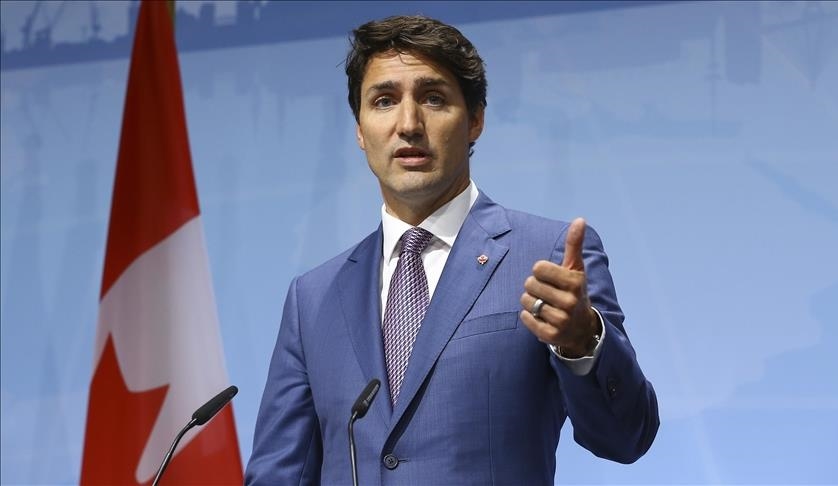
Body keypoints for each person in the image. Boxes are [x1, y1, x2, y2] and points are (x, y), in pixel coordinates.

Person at [246, 15, 659, 485]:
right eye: (384, 101)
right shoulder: (313, 298)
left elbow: (627, 437)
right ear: (360, 129)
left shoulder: (545, 257)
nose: (408, 124)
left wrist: (582, 342)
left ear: (475, 119)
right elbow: (279, 473)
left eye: (433, 98)